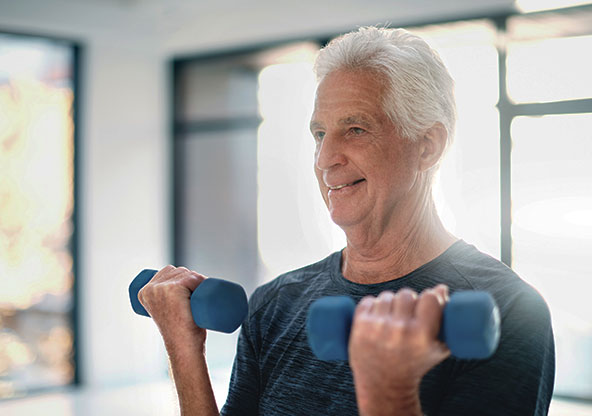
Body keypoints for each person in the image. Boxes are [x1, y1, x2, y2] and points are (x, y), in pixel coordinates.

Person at [138, 27, 555, 415]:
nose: (324, 159)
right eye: (320, 134)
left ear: (427, 146)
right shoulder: (275, 303)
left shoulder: (510, 313)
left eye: (355, 129)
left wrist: (390, 392)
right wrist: (183, 349)